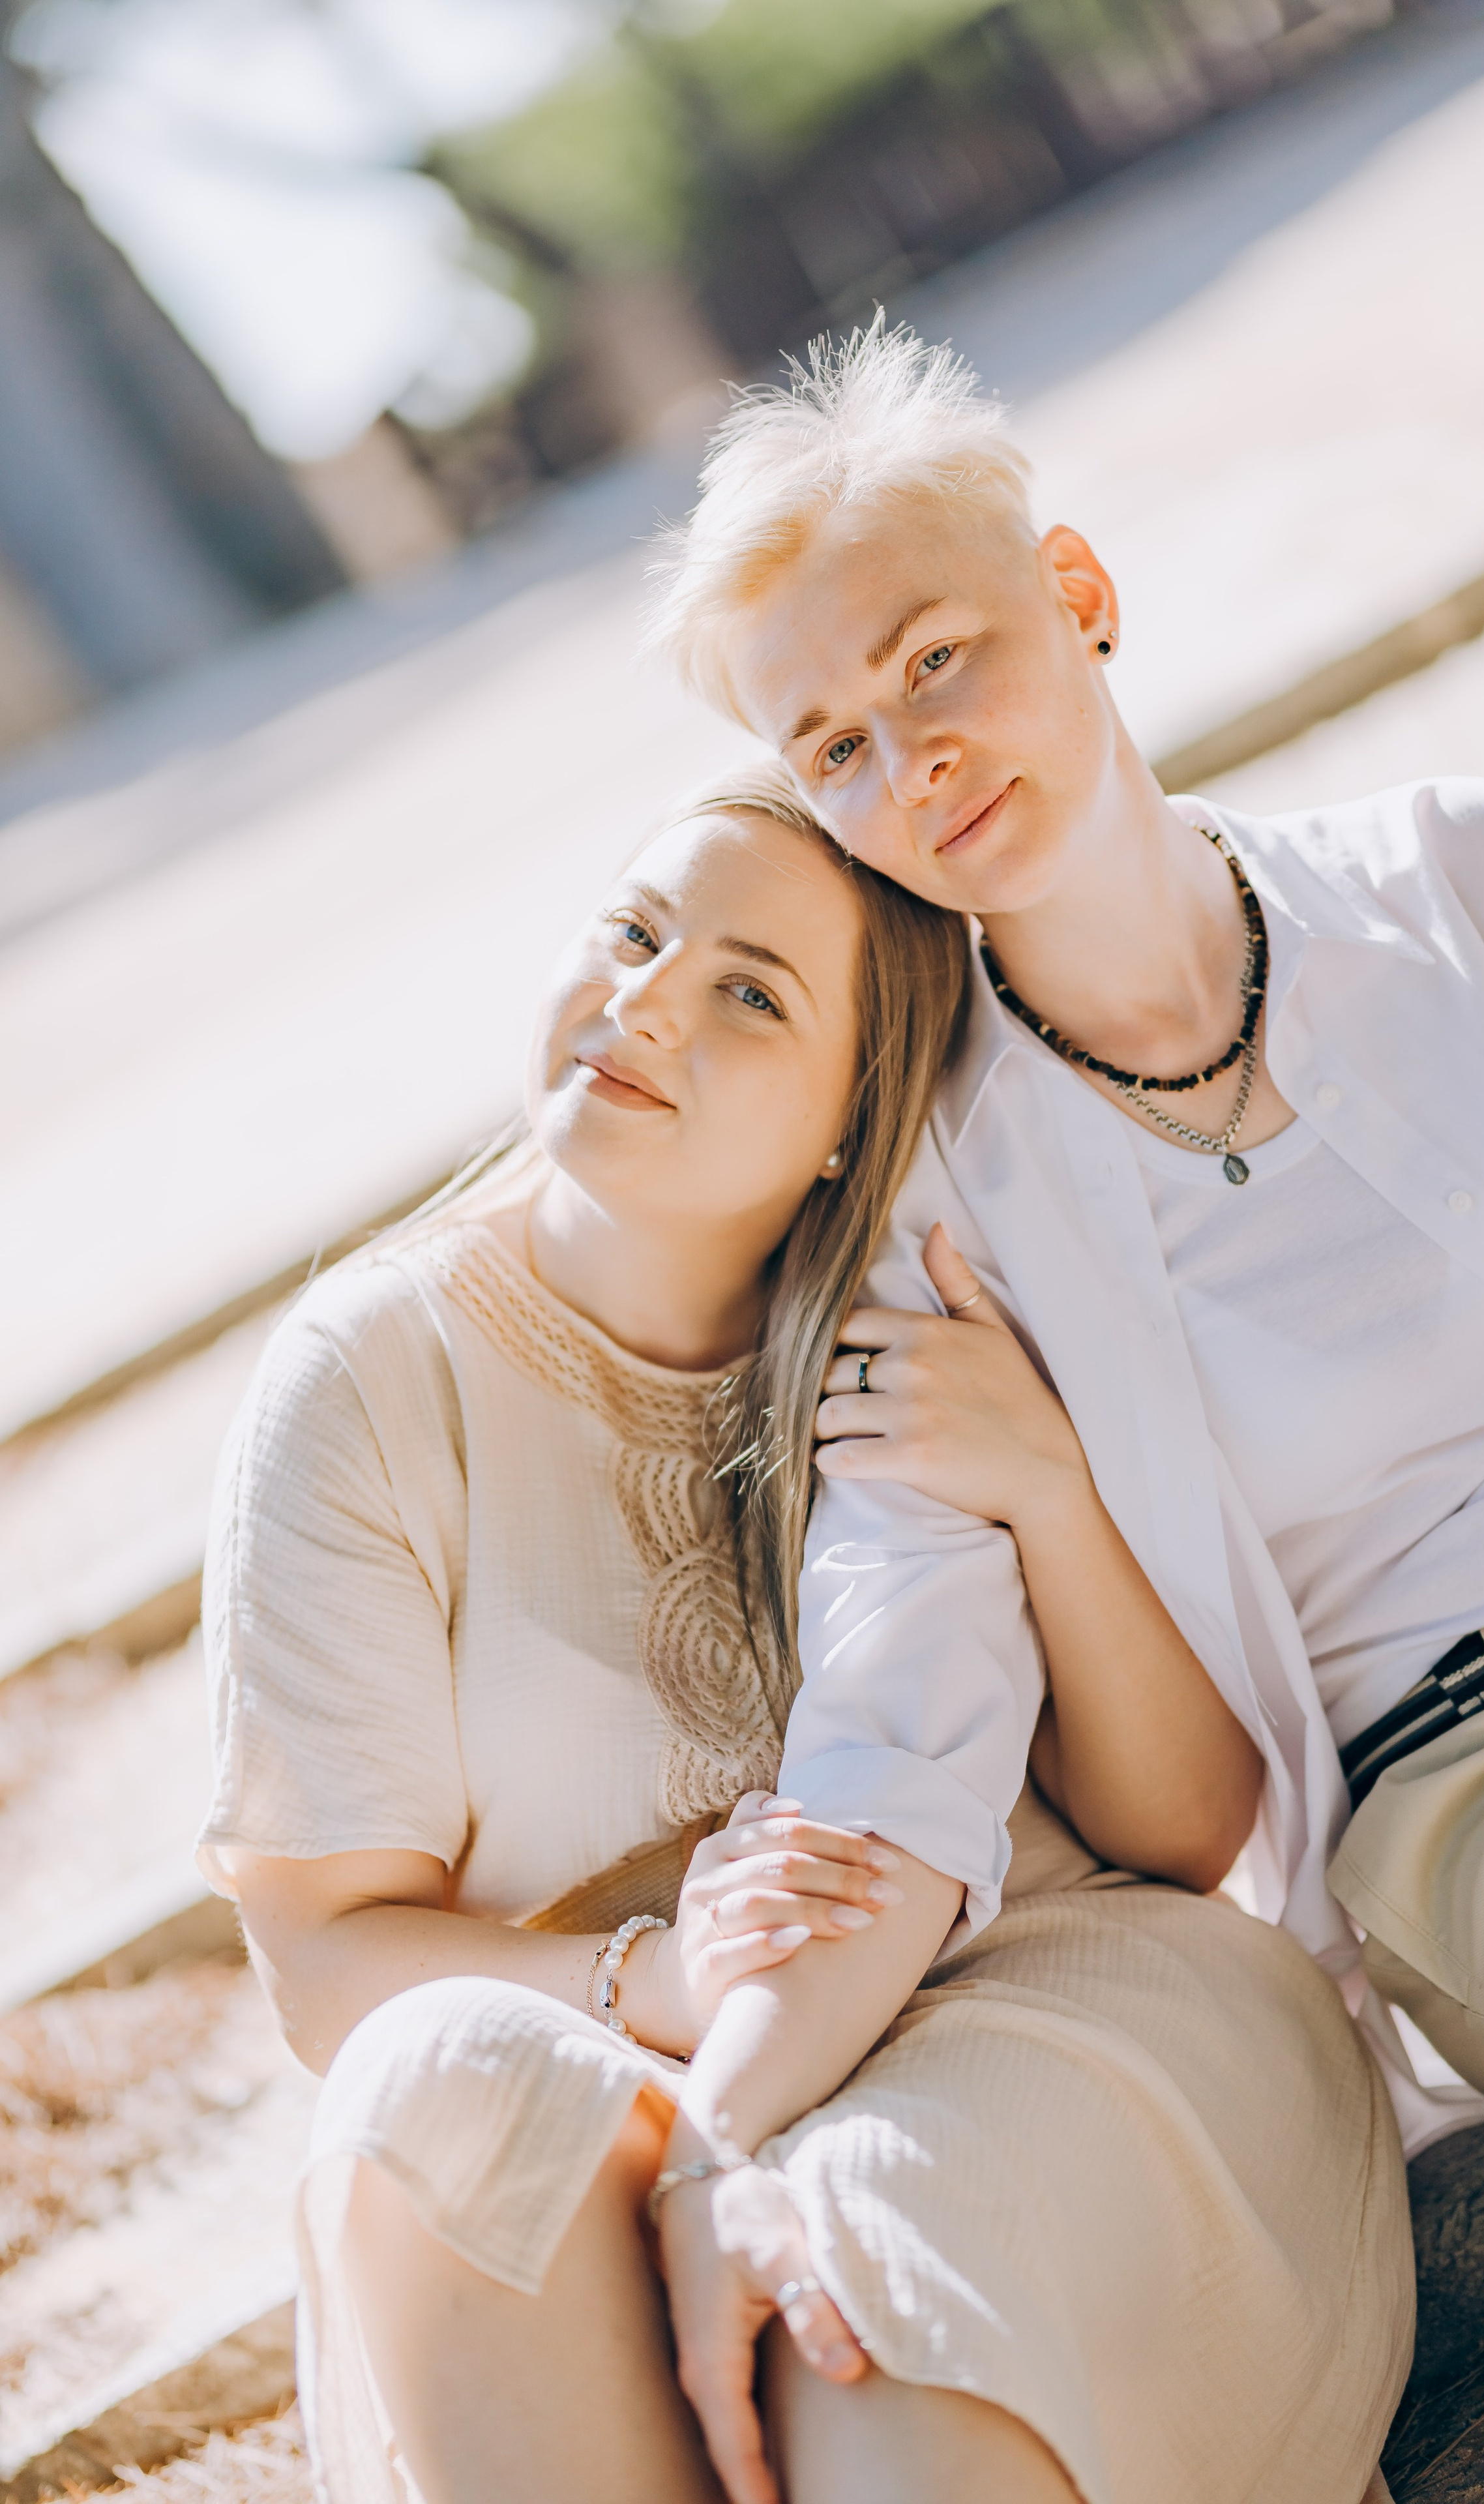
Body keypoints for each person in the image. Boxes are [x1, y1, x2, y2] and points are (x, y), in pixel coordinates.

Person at [199, 770, 1412, 2504]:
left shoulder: (942, 1296)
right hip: (630, 2051)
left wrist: (1049, 1494)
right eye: (631, 933)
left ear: (857, 1111)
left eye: (748, 993)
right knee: (432, 2081)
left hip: (1030, 1994)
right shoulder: (368, 1380)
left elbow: (1184, 1832)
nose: (644, 1003)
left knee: (856, 2318)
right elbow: (325, 1963)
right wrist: (662, 1985)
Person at [649, 314, 1484, 2167]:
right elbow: (946, 1738)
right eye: (839, 747)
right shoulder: (923, 1238)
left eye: (937, 659)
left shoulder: (1480, 879)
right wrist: (726, 2124)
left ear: (1079, 588)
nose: (917, 764)